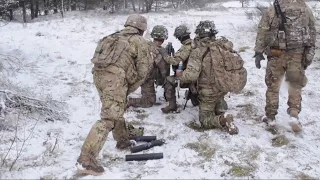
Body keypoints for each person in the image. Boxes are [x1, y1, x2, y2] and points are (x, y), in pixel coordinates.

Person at [76, 14, 153, 175]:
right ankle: (86, 160)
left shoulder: (110, 37)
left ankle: (122, 140)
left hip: (99, 76)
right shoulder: (140, 42)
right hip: (115, 79)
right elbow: (143, 71)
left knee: (116, 108)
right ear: (141, 29)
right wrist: (127, 88)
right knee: (109, 117)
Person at [254, 0, 316, 132]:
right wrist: (309, 53)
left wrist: (258, 52)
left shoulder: (273, 9)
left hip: (276, 55)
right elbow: (312, 31)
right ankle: (294, 115)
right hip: (297, 55)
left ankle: (270, 118)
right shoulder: (305, 8)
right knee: (295, 85)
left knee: (273, 87)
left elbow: (263, 30)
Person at [173, 20, 239, 135]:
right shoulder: (224, 46)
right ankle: (220, 107)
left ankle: (223, 119)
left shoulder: (197, 51)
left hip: (208, 93)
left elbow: (191, 76)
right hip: (223, 88)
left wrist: (180, 76)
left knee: (205, 121)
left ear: (199, 34)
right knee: (218, 105)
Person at [159, 24, 227, 114]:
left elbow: (175, 61)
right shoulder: (197, 44)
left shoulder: (187, 47)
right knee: (196, 102)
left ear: (179, 37)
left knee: (168, 80)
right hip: (202, 78)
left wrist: (164, 54)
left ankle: (172, 105)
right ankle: (196, 97)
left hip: (190, 77)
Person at [127, 25, 170, 108]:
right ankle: (127, 101)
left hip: (134, 74)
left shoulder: (144, 44)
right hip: (145, 78)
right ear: (163, 39)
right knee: (149, 101)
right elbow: (164, 72)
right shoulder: (159, 51)